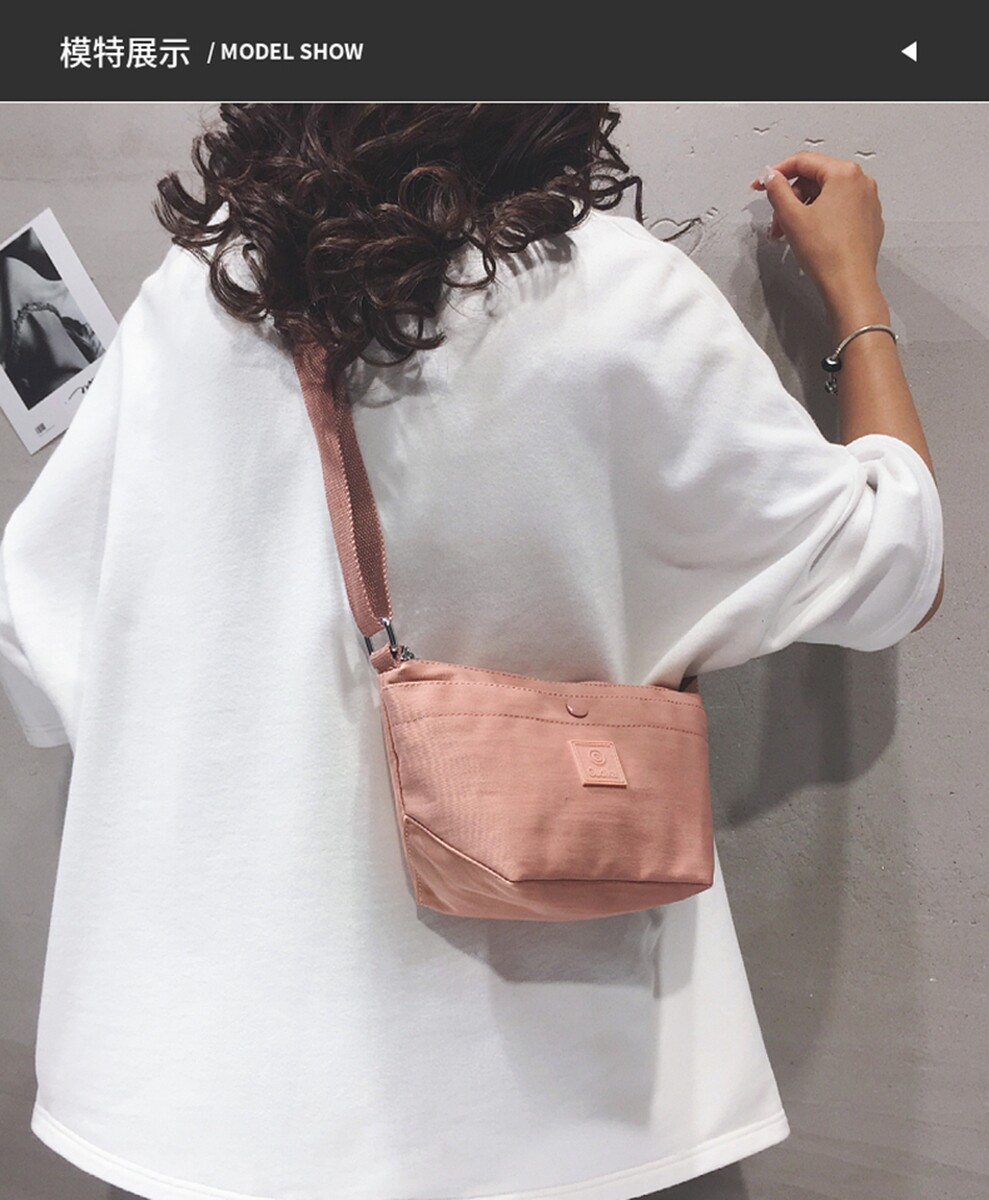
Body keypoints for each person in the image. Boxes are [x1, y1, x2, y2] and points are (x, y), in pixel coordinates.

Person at [0, 105, 943, 1200]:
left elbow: (37, 630)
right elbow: (892, 566)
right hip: (546, 1088)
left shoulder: (201, 293)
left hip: (210, 1080)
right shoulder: (608, 291)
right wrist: (855, 293)